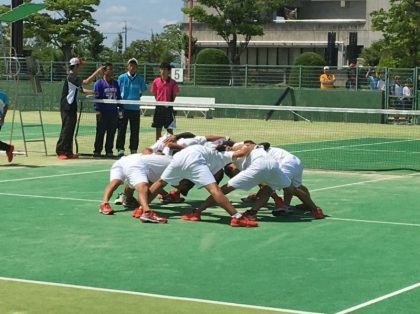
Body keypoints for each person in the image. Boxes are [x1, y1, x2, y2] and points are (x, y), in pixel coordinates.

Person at [181, 141, 292, 224]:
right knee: (277, 187)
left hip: (262, 164)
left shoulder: (238, 147)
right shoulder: (226, 158)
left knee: (221, 190)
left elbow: (249, 145)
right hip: (272, 165)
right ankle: (252, 213)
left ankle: (197, 211)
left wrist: (239, 149)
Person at [148, 144, 258, 227]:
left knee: (161, 182)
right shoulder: (223, 155)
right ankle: (237, 217)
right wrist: (251, 146)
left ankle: (143, 208)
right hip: (194, 158)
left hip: (179, 157)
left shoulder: (210, 149)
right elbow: (242, 153)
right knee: (215, 190)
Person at [99, 147, 171, 224]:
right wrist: (165, 194)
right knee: (117, 182)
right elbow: (155, 185)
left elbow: (153, 184)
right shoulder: (150, 156)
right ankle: (104, 204)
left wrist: (164, 194)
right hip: (125, 163)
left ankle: (126, 200)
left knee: (130, 183)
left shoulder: (153, 162)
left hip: (128, 164)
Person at [56, 57, 103, 160]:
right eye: (80, 65)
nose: (81, 67)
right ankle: (60, 151)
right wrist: (97, 72)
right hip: (66, 107)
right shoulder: (72, 76)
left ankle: (68, 152)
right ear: (75, 66)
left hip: (72, 106)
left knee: (71, 129)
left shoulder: (75, 77)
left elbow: (82, 90)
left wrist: (93, 92)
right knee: (66, 129)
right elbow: (86, 82)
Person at [116, 58, 147, 157]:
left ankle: (133, 149)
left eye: (134, 65)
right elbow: (117, 91)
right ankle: (120, 149)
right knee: (121, 129)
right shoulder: (121, 78)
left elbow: (141, 92)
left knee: (135, 130)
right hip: (123, 108)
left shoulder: (140, 79)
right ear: (128, 66)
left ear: (137, 67)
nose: (132, 67)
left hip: (135, 109)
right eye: (131, 65)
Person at [93, 62, 121, 158]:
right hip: (102, 112)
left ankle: (109, 151)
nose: (111, 71)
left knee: (111, 132)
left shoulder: (115, 83)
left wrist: (120, 109)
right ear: (104, 71)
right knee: (100, 132)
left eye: (112, 69)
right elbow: (96, 97)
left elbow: (119, 97)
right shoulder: (99, 83)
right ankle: (97, 151)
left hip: (113, 112)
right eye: (109, 69)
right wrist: (97, 110)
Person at [150, 62, 179, 140]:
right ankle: (158, 149)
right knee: (158, 130)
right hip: (159, 108)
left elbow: (174, 96)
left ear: (169, 71)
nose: (163, 71)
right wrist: (160, 103)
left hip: (169, 109)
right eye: (161, 69)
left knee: (170, 131)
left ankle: (170, 149)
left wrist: (169, 104)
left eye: (165, 69)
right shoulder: (156, 81)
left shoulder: (173, 83)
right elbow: (155, 94)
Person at [0, 90, 14, 163]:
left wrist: (2, 117)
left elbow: (6, 106)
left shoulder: (3, 95)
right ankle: (8, 148)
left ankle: (8, 148)